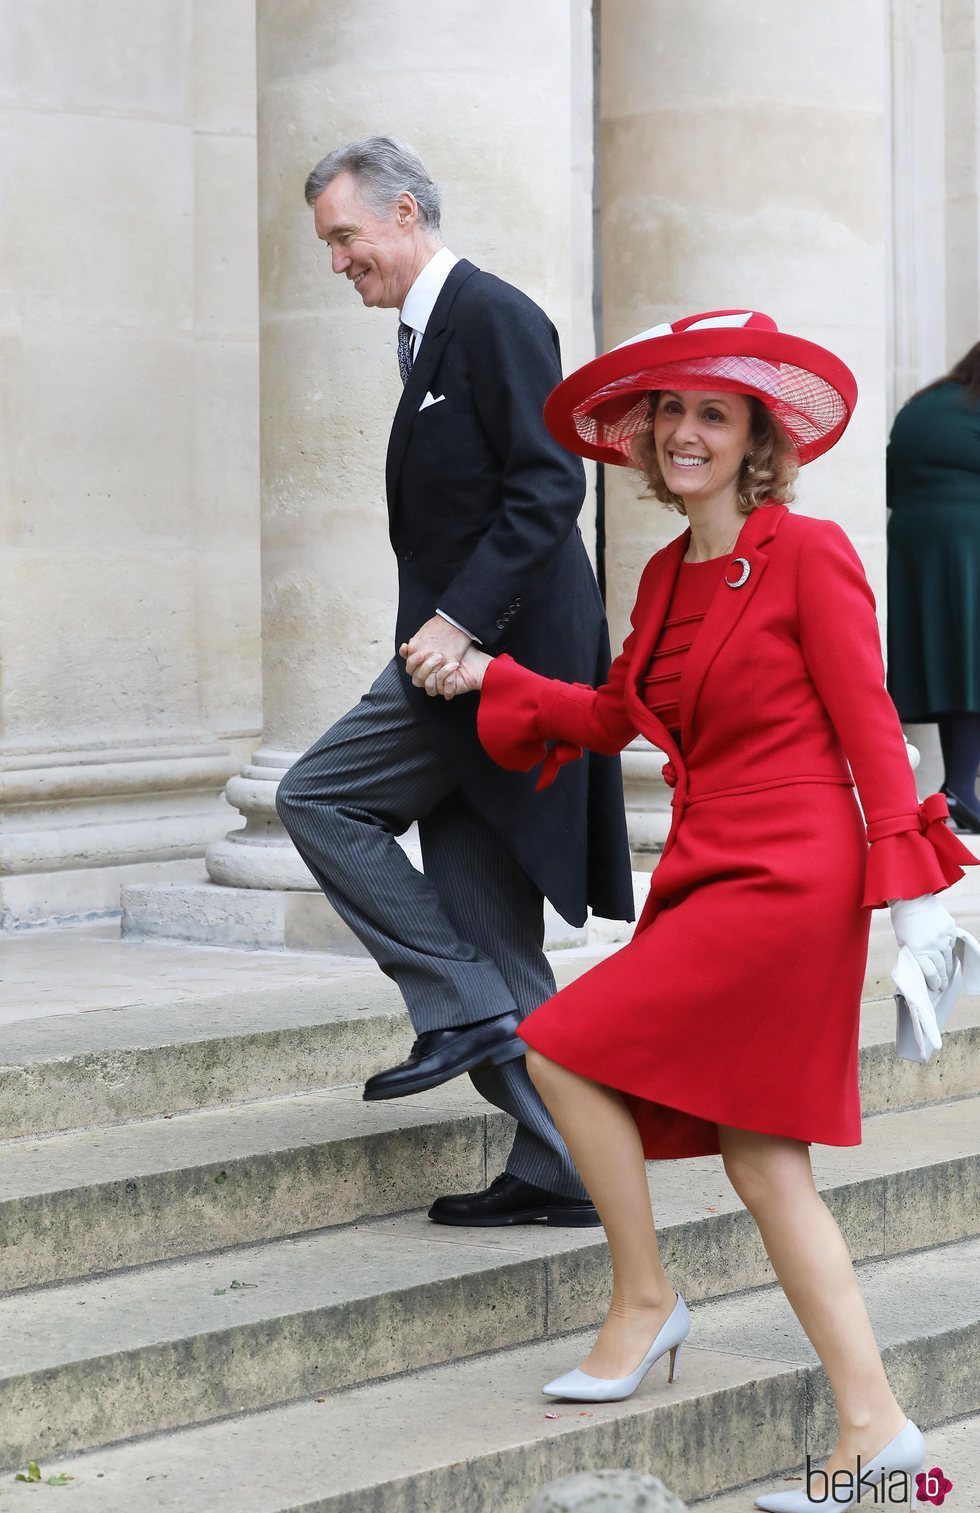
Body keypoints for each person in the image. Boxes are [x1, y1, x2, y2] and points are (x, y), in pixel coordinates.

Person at [408, 310, 977, 1509]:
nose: (681, 432)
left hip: (791, 871)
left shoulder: (808, 552)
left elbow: (872, 731)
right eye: (667, 410)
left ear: (753, 438)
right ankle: (872, 1430)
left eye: (710, 414)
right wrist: (493, 681)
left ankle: (644, 1299)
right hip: (710, 857)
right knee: (764, 1161)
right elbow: (616, 711)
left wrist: (913, 908)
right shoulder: (666, 575)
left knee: (559, 1045)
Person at [274, 137, 634, 1228]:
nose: (336, 259)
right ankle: (560, 1166)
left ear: (407, 211)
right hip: (462, 659)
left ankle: (461, 1006)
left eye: (345, 235)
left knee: (316, 797)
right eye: (328, 242)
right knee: (490, 930)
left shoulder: (494, 315)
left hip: (492, 661)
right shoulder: (426, 333)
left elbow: (547, 486)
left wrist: (455, 625)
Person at [887, 341, 980, 831]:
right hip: (969, 542)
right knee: (969, 664)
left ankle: (957, 788)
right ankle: (960, 787)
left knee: (952, 664)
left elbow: (888, 477)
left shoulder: (926, 401)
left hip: (912, 545)